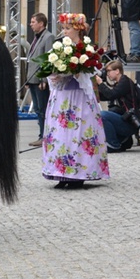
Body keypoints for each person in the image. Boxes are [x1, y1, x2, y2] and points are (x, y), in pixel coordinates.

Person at [42, 13, 109, 189]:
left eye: (67, 28)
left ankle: (79, 174)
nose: (64, 32)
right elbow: (52, 68)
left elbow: (92, 72)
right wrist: (55, 74)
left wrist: (77, 71)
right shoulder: (59, 48)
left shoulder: (86, 49)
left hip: (79, 98)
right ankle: (61, 172)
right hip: (62, 97)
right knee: (61, 135)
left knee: (79, 133)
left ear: (77, 29)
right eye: (63, 28)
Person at [95, 60, 139, 153]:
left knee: (102, 115)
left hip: (131, 123)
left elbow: (111, 94)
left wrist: (101, 83)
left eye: (109, 71)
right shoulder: (119, 83)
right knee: (111, 111)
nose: (107, 74)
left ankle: (113, 145)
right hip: (128, 121)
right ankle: (123, 140)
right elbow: (106, 96)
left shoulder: (125, 81)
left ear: (117, 71)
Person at [25, 12, 55, 147]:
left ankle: (44, 135)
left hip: (40, 80)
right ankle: (41, 134)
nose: (30, 24)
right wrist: (27, 79)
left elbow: (48, 59)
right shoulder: (36, 37)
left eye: (33, 22)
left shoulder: (48, 37)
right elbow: (31, 59)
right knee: (37, 109)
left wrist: (44, 79)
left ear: (41, 23)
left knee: (42, 108)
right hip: (32, 79)